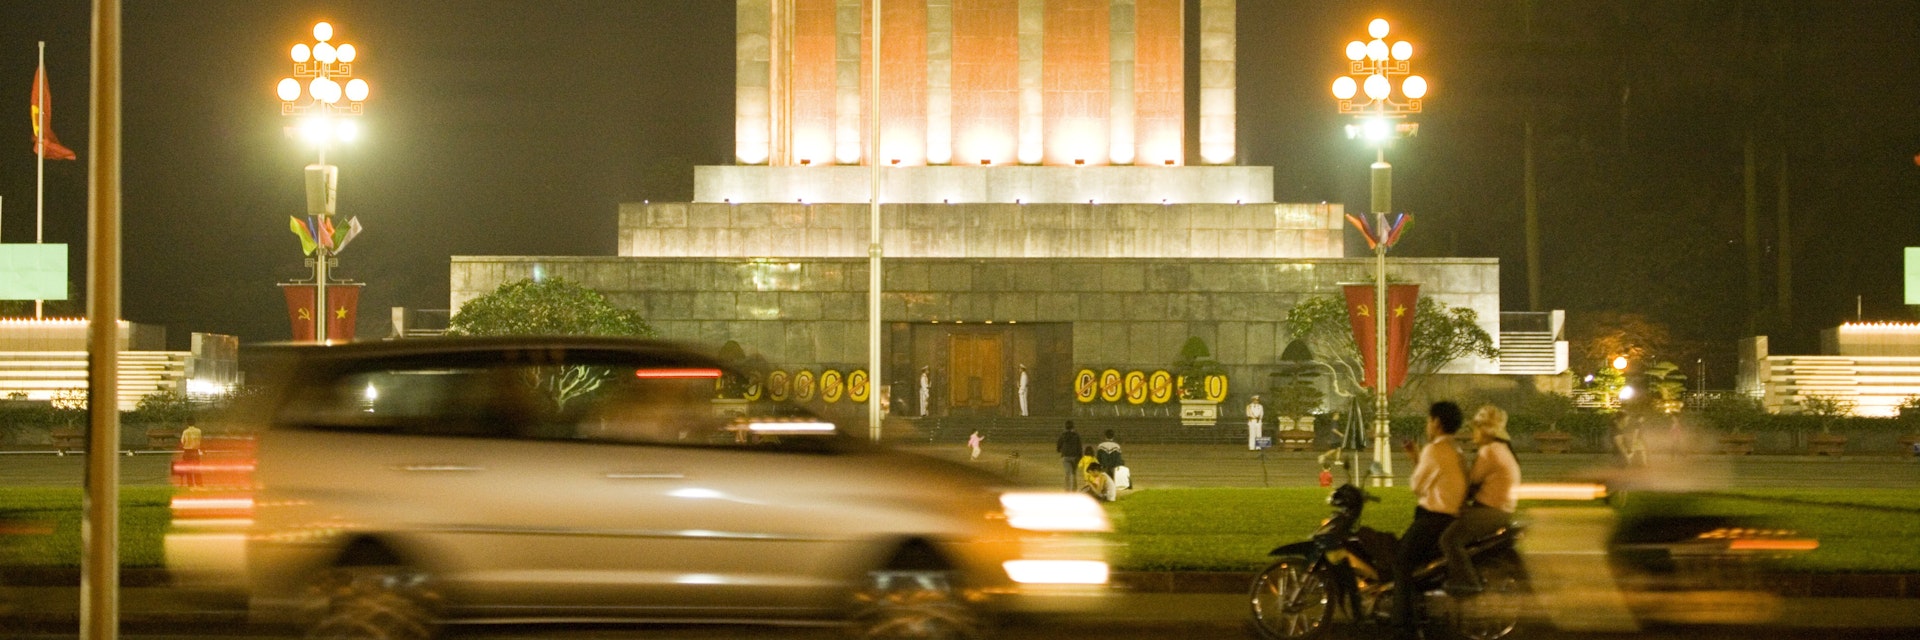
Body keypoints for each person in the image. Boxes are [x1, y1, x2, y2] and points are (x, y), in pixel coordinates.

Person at [1393, 401, 1467, 637]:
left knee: (1401, 561)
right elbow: (1434, 480)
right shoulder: (1457, 451)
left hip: (1432, 519)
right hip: (1449, 520)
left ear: (1436, 422)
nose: (1427, 425)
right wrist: (1416, 458)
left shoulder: (1434, 450)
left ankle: (1403, 624)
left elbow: (1417, 486)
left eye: (1428, 420)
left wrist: (1418, 458)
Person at [1440, 405, 1521, 595]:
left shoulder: (1489, 451)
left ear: (1484, 430)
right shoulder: (1503, 449)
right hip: (1501, 511)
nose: (1472, 433)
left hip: (1489, 512)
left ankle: (1467, 582)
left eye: (1475, 428)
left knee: (1449, 539)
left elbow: (1469, 482)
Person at [1055, 421, 1083, 492]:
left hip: (1066, 456)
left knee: (1067, 473)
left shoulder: (1062, 435)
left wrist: (1060, 450)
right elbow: (1079, 447)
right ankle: (1074, 489)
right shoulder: (1076, 436)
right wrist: (1080, 456)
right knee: (1074, 473)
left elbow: (1058, 445)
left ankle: (1067, 489)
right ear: (1073, 427)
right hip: (1075, 457)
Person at [178, 423, 204, 488]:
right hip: (195, 451)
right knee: (197, 469)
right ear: (194, 423)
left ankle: (190, 484)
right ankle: (199, 484)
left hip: (187, 452)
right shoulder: (198, 431)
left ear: (187, 423)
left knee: (188, 469)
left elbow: (182, 441)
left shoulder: (185, 432)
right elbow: (200, 440)